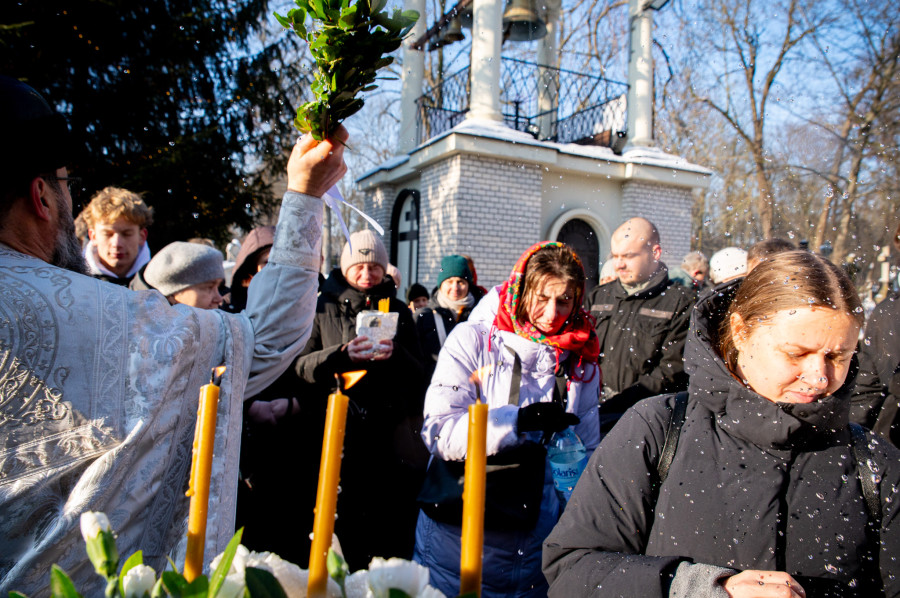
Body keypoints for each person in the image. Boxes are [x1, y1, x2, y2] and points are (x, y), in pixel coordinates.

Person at [0, 75, 348, 595]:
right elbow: (265, 339)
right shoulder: (94, 311)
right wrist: (304, 193)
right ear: (42, 197)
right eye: (67, 184)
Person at [544, 250, 900, 598]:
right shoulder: (657, 428)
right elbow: (572, 571)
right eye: (797, 353)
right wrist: (693, 588)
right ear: (741, 331)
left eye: (837, 356)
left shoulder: (874, 464)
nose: (819, 376)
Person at [415, 242, 601, 598]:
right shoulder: (474, 340)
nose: (552, 313)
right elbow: (438, 431)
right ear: (522, 289)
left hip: (536, 544)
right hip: (460, 537)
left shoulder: (581, 359)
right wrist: (515, 423)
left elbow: (587, 451)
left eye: (564, 301)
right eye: (541, 298)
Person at [286, 229, 425, 570]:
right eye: (358, 267)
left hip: (388, 438)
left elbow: (419, 374)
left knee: (385, 530)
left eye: (374, 267)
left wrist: (396, 354)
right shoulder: (321, 307)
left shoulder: (397, 309)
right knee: (337, 528)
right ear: (345, 268)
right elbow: (299, 367)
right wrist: (342, 354)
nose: (367, 274)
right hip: (334, 433)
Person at [585, 217, 694, 433]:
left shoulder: (680, 303)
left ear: (655, 253)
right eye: (615, 256)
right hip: (593, 415)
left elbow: (671, 372)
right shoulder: (599, 297)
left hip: (647, 421)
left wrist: (617, 404)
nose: (619, 265)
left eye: (628, 256)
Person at [413, 254, 479, 380]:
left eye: (461, 282)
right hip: (434, 386)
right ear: (441, 284)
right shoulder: (424, 317)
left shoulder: (480, 314)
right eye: (449, 281)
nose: (455, 288)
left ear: (468, 285)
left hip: (472, 387)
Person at [82, 186, 154, 286]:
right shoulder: (72, 280)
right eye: (108, 234)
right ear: (93, 236)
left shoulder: (160, 284)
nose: (117, 244)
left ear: (142, 236)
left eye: (126, 234)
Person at [130, 240, 226, 309]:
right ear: (171, 295)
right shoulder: (134, 327)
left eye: (217, 287)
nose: (219, 299)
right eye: (209, 287)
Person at [223, 225, 275, 313]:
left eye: (283, 262)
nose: (277, 267)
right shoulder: (233, 310)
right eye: (268, 262)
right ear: (253, 269)